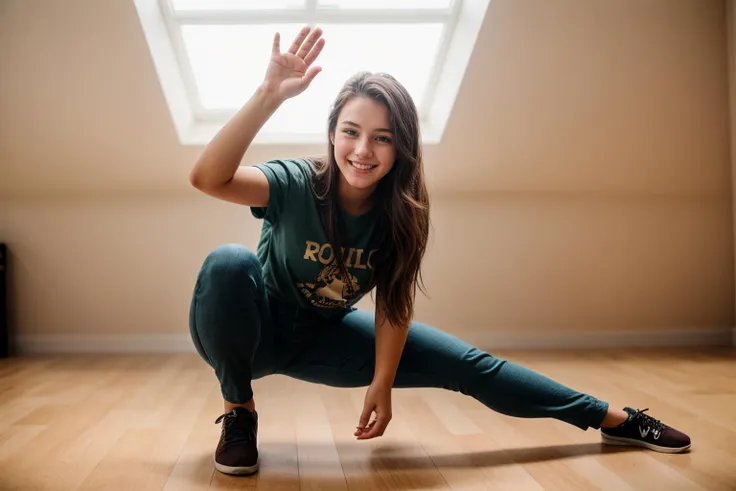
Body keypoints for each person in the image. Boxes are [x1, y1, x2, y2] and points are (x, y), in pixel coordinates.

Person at [188, 26, 691, 476]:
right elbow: (207, 178)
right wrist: (268, 96)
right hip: (248, 335)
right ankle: (239, 413)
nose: (363, 150)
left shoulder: (403, 210)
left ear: (401, 146)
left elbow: (395, 301)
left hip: (324, 337)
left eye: (382, 138)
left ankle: (617, 420)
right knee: (228, 262)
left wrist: (382, 382)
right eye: (351, 132)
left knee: (471, 364)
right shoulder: (296, 184)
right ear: (333, 133)